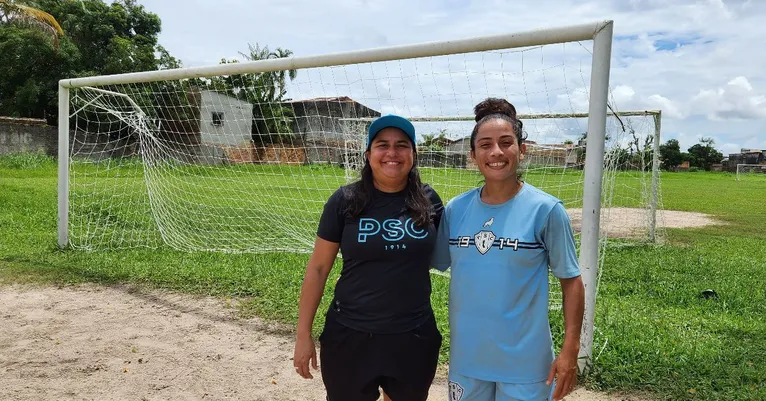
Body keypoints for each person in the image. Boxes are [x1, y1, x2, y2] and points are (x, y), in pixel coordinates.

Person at [431, 98, 585, 401]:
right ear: (473, 155)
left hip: (527, 366)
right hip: (467, 361)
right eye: (485, 145)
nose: (496, 152)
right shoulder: (456, 209)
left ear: (522, 149)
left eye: (506, 142)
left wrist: (571, 350)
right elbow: (426, 263)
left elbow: (572, 281)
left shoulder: (546, 209)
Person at [293, 114, 444, 401]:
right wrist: (303, 335)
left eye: (402, 145)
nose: (392, 153)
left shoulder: (429, 200)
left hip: (413, 334)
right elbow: (319, 268)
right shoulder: (345, 200)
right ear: (368, 154)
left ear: (413, 154)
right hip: (351, 334)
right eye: (382, 145)